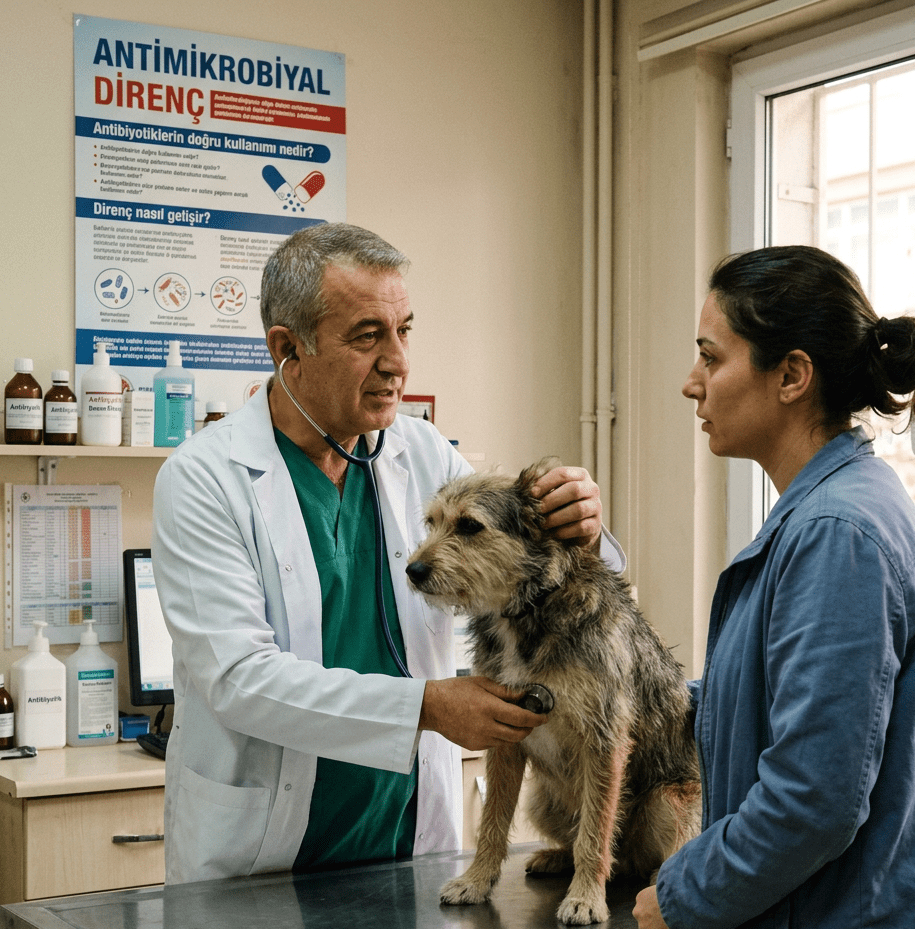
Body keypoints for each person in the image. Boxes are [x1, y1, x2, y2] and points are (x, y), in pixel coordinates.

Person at [152, 222, 620, 885]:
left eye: (404, 331)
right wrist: (426, 706)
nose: (398, 361)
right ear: (289, 349)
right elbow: (238, 680)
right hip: (262, 858)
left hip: (409, 843)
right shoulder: (205, 479)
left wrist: (583, 532)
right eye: (367, 336)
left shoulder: (423, 453)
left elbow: (531, 584)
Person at [633, 245, 915, 929]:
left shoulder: (837, 533)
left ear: (791, 376)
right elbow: (783, 706)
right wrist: (629, 703)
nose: (691, 383)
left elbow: (814, 799)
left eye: (709, 357)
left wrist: (683, 897)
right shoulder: (834, 510)